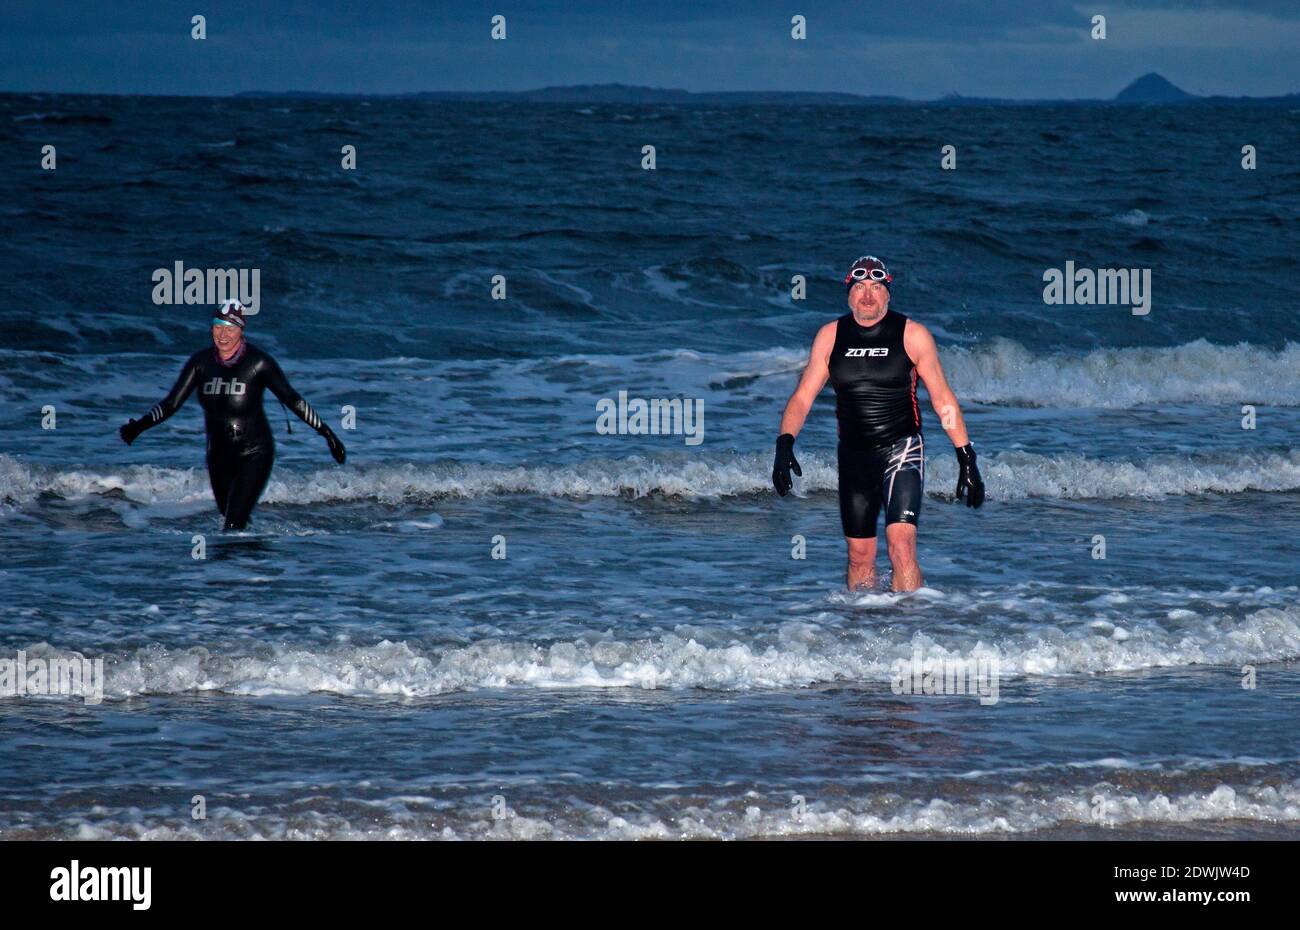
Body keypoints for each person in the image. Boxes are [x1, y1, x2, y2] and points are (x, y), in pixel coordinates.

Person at [772, 256, 984, 591]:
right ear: (848, 294)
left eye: (875, 287)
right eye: (859, 287)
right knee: (859, 554)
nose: (867, 295)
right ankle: (864, 629)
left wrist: (966, 456)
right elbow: (802, 398)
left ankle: (913, 627)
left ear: (888, 294)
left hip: (902, 449)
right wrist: (785, 443)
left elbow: (942, 398)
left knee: (900, 544)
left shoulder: (913, 335)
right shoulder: (830, 337)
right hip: (854, 455)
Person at [119, 300, 346, 530]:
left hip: (254, 452)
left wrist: (327, 434)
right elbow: (170, 404)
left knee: (232, 525)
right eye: (218, 327)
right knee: (231, 522)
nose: (223, 335)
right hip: (218, 455)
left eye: (230, 328)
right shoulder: (201, 363)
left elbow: (294, 400)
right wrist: (139, 426)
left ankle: (238, 563)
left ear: (241, 330)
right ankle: (253, 560)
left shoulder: (259, 363)